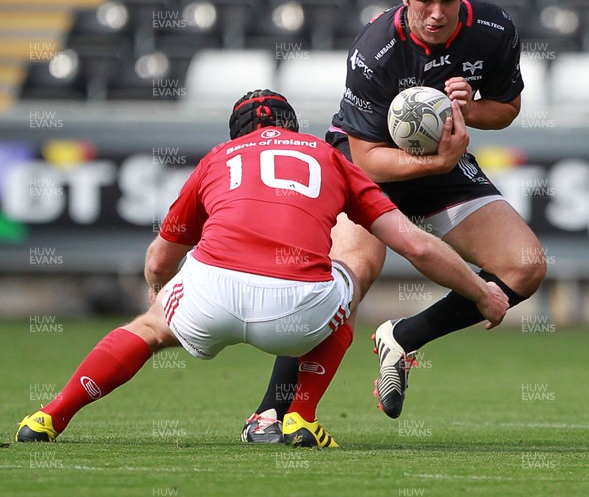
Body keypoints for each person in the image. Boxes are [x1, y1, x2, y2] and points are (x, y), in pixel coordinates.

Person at [16, 89, 509, 448]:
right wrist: (482, 292)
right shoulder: (328, 157)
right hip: (297, 314)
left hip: (210, 296)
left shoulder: (218, 158)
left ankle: (49, 417)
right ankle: (299, 417)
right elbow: (416, 247)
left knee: (146, 329)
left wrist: (160, 299)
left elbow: (158, 258)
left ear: (236, 136)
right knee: (352, 274)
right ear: (291, 128)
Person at [243, 0, 547, 442]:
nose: (437, 14)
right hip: (366, 166)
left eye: (449, 1)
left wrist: (471, 108)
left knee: (525, 267)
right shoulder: (375, 48)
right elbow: (368, 159)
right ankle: (271, 412)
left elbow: (509, 110)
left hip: (438, 163)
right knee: (345, 278)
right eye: (424, 0)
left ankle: (402, 339)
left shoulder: (495, 28)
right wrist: (437, 162)